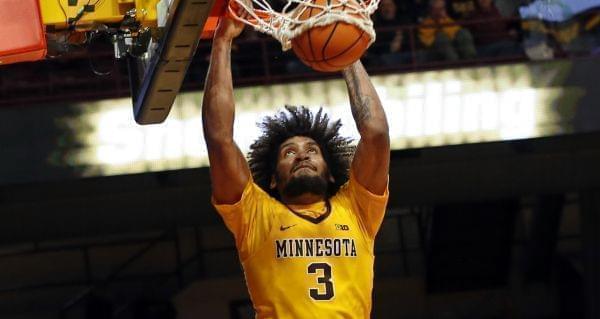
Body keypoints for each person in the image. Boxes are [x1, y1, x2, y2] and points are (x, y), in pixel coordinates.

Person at [201, 7, 391, 318]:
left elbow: (376, 133)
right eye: (289, 152)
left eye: (312, 150)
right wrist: (222, 42)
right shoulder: (255, 215)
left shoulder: (358, 209)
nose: (302, 154)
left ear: (331, 175)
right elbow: (219, 139)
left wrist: (346, 50)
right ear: (274, 179)